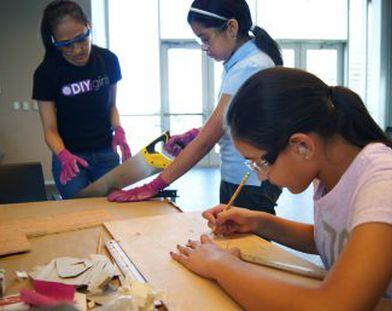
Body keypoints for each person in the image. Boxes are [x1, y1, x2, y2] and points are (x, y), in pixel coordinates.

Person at [170, 67, 392, 310]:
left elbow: (336, 305)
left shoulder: (384, 182)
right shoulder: (329, 171)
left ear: (302, 146)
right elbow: (332, 237)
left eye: (260, 162)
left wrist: (222, 266)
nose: (261, 176)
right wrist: (258, 222)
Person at [109, 0, 283, 215]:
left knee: (247, 245)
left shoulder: (249, 67)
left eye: (205, 39)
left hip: (249, 180)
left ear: (231, 27)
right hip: (244, 176)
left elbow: (207, 141)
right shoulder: (243, 62)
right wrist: (193, 134)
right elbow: (231, 121)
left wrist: (154, 185)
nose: (204, 48)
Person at [33, 0, 131, 199]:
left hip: (106, 152)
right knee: (77, 214)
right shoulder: (46, 73)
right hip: (71, 158)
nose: (77, 49)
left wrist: (118, 129)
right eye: (66, 45)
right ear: (54, 42)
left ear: (89, 26)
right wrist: (63, 155)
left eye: (82, 38)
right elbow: (50, 130)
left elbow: (111, 106)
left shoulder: (108, 60)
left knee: (111, 210)